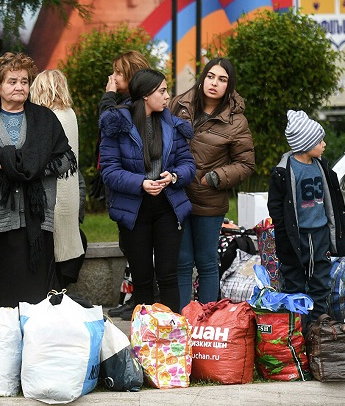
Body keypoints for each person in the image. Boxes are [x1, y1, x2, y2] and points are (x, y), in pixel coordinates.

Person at [0, 52, 77, 329]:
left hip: (36, 219)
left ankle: (36, 348)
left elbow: (66, 158)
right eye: (12, 81)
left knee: (35, 293)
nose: (20, 86)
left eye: (24, 81)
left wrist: (34, 168)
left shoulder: (45, 120)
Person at [99, 68, 195, 316]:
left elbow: (188, 165)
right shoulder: (117, 124)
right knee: (141, 278)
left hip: (167, 207)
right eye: (162, 91)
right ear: (145, 95)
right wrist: (141, 183)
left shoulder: (173, 125)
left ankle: (172, 336)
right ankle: (144, 342)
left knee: (168, 275)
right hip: (134, 210)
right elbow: (109, 171)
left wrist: (174, 176)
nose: (167, 96)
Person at [169, 57, 255, 310]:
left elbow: (246, 164)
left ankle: (207, 322)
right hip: (176, 196)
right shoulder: (179, 105)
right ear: (203, 78)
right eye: (210, 76)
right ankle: (184, 324)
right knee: (182, 262)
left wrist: (215, 177)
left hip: (209, 200)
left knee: (207, 262)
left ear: (229, 86)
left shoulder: (236, 121)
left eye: (222, 79)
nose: (214, 83)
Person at [268, 110, 345, 327]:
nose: (324, 144)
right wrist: (283, 236)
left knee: (321, 276)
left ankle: (319, 320)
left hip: (320, 232)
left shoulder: (322, 167)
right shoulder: (284, 172)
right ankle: (299, 327)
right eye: (319, 140)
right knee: (294, 279)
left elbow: (333, 201)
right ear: (305, 143)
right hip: (296, 237)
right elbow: (275, 207)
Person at [98, 51, 151, 319]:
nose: (113, 76)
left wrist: (108, 96)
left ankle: (140, 302)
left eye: (118, 72)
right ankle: (134, 299)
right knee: (130, 248)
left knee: (137, 249)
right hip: (125, 189)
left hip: (134, 189)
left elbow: (107, 123)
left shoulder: (132, 106)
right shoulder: (130, 103)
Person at [30, 69, 84, 286]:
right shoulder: (69, 114)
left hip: (55, 195)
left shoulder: (51, 119)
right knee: (65, 249)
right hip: (69, 192)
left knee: (53, 255)